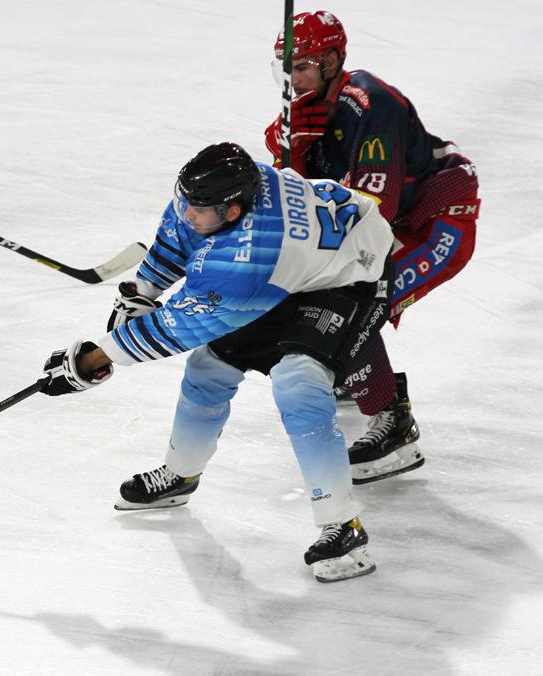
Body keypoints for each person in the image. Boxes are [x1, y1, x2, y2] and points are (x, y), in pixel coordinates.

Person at [42, 142, 393, 582]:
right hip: (301, 266)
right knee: (209, 367)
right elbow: (180, 233)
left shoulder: (249, 259)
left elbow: (178, 327)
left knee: (299, 384)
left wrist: (93, 360)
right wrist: (142, 293)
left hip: (352, 279)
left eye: (200, 210)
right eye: (187, 201)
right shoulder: (220, 193)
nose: (188, 212)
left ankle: (343, 526)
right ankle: (180, 475)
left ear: (233, 212)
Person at [261, 10, 479, 483]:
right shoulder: (306, 110)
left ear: (332, 60)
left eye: (303, 67)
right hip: (391, 222)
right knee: (321, 295)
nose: (294, 80)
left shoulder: (370, 103)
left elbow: (372, 208)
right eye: (287, 68)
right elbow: (289, 192)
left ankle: (394, 423)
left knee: (350, 303)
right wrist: (295, 149)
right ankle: (353, 367)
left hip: (437, 224)